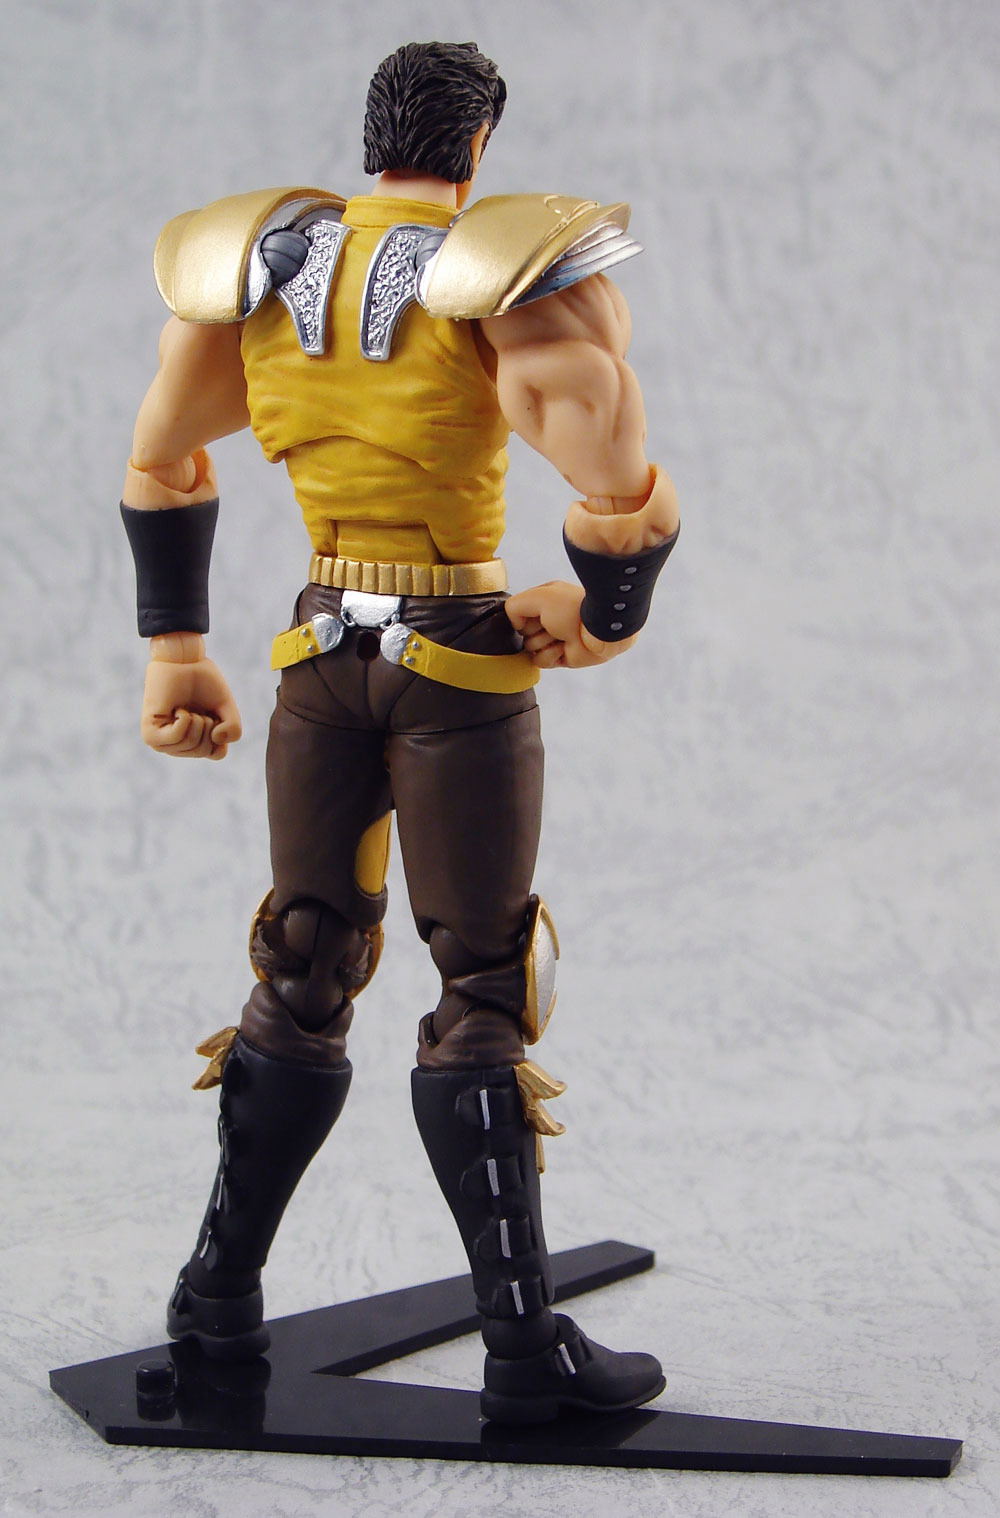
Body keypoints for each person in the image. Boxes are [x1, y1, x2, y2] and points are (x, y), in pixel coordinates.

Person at [121, 41, 680, 1426]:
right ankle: (521, 1352)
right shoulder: (508, 269)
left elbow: (161, 458)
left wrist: (177, 649)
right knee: (483, 985)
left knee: (303, 965)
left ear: (373, 135)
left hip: (317, 653)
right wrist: (605, 610)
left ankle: (213, 1308)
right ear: (477, 145)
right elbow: (608, 463)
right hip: (459, 661)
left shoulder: (263, 263)